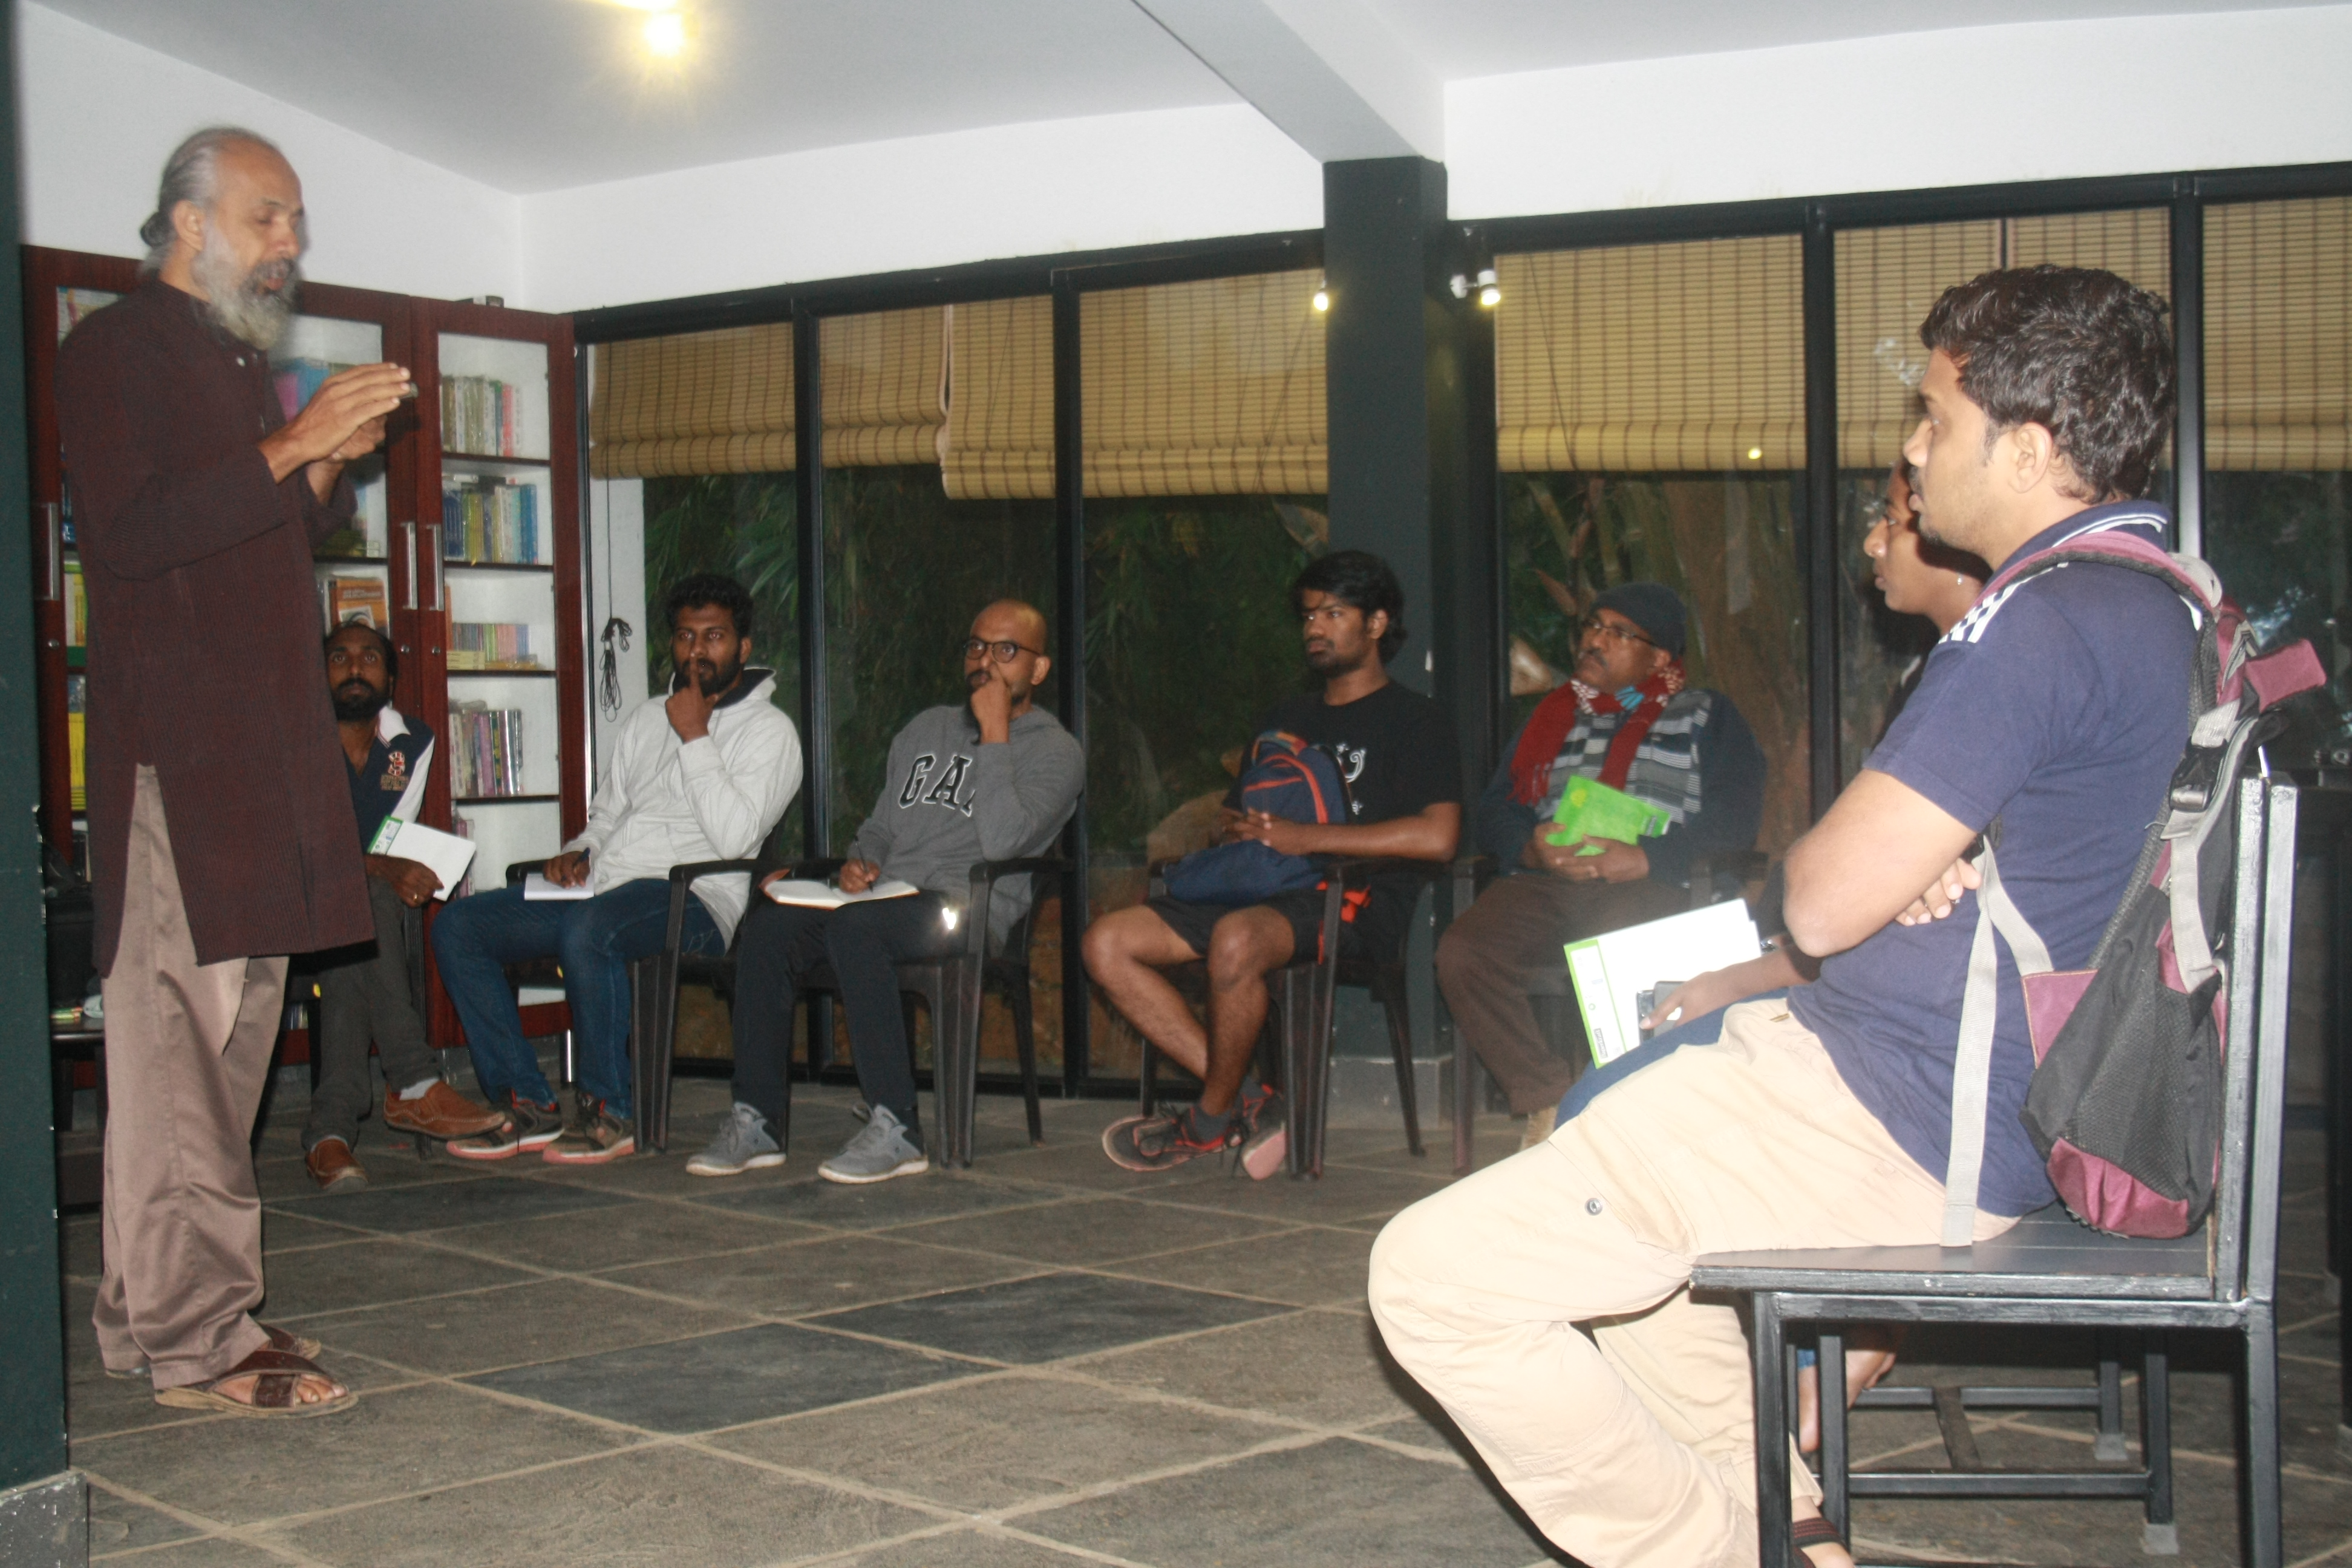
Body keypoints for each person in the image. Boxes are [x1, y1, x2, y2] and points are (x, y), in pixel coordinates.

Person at [1370, 265, 2190, 1568]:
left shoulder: (2039, 620)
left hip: (1897, 1111)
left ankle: (1718, 1550)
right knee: (1655, 1279)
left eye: (1934, 417)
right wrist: (1924, 855)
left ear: (2029, 449)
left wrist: (1870, 860)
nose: (1910, 451)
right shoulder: (2159, 602)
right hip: (1963, 1095)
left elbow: (1813, 899)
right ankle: (1790, 1530)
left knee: (1433, 1278)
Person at [59, 126, 416, 1415]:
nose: (291, 243)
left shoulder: (231, 357)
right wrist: (293, 440)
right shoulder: (111, 349)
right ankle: (201, 1339)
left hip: (267, 757)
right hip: (183, 760)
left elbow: (256, 534)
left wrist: (324, 459)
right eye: (269, 215)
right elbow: (132, 535)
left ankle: (147, 1312)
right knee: (178, 1054)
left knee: (227, 1051)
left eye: (297, 221)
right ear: (188, 221)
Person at [1082, 550, 1461, 1177]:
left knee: (1236, 940)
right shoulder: (1286, 717)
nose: (1315, 627)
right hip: (1260, 886)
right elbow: (1236, 814)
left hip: (1349, 898)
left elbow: (1439, 838)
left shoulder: (1417, 720)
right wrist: (1239, 828)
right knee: (1106, 942)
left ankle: (1208, 1121)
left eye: (1333, 614)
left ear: (1375, 624)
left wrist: (1306, 837)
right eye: (1308, 615)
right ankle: (1251, 1101)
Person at [692, 600, 1085, 1183]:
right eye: (976, 647)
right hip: (888, 897)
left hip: (965, 908)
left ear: (1040, 668)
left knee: (858, 929)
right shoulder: (925, 728)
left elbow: (1003, 843)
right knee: (770, 928)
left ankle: (897, 1127)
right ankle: (758, 1121)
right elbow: (880, 825)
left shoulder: (1057, 752)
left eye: (1007, 651)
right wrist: (863, 861)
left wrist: (995, 735)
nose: (986, 661)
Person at [431, 573, 800, 1165]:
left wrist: (695, 736)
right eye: (686, 636)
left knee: (593, 928)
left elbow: (736, 838)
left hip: (696, 899)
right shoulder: (647, 718)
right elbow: (607, 815)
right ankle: (527, 1100)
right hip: (605, 890)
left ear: (744, 647)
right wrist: (581, 852)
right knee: (460, 927)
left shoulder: (771, 733)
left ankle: (611, 1109)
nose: (698, 651)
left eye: (714, 636)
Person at [1436, 581, 1763, 1148]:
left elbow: (1736, 817)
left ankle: (1620, 1108)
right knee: (1462, 952)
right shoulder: (1551, 717)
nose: (1595, 640)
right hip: (1548, 880)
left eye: (1618, 633)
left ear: (1659, 658)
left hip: (1649, 884)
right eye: (1593, 626)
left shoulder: (1706, 715)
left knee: (1616, 947)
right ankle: (1548, 1099)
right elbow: (1496, 810)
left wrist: (1648, 857)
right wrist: (1530, 847)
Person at [302, 622, 503, 1191]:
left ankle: (329, 1133)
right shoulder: (297, 739)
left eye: (369, 658)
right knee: (367, 899)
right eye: (339, 657)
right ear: (318, 673)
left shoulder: (411, 743)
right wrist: (379, 867)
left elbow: (390, 839)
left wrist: (383, 868)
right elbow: (299, 849)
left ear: (390, 678)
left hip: (354, 914)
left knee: (360, 919)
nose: (354, 668)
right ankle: (414, 1082)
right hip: (291, 905)